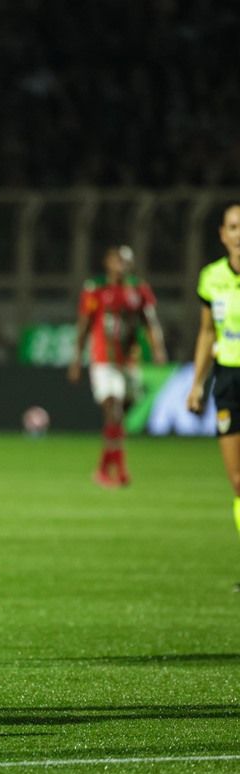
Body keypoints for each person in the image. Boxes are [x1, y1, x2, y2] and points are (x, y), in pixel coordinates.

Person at [68, 245, 167, 487]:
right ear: (108, 262)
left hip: (128, 361)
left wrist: (157, 349)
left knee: (118, 417)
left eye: (126, 261)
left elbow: (149, 322)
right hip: (103, 360)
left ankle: (103, 468)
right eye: (118, 260)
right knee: (113, 411)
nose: (122, 265)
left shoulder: (138, 290)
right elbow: (84, 325)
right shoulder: (96, 289)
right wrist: (76, 360)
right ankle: (120, 471)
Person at [187, 203, 240, 590]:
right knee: (238, 481)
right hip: (227, 381)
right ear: (222, 234)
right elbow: (207, 332)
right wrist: (197, 383)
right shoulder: (212, 278)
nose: (239, 234)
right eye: (233, 227)